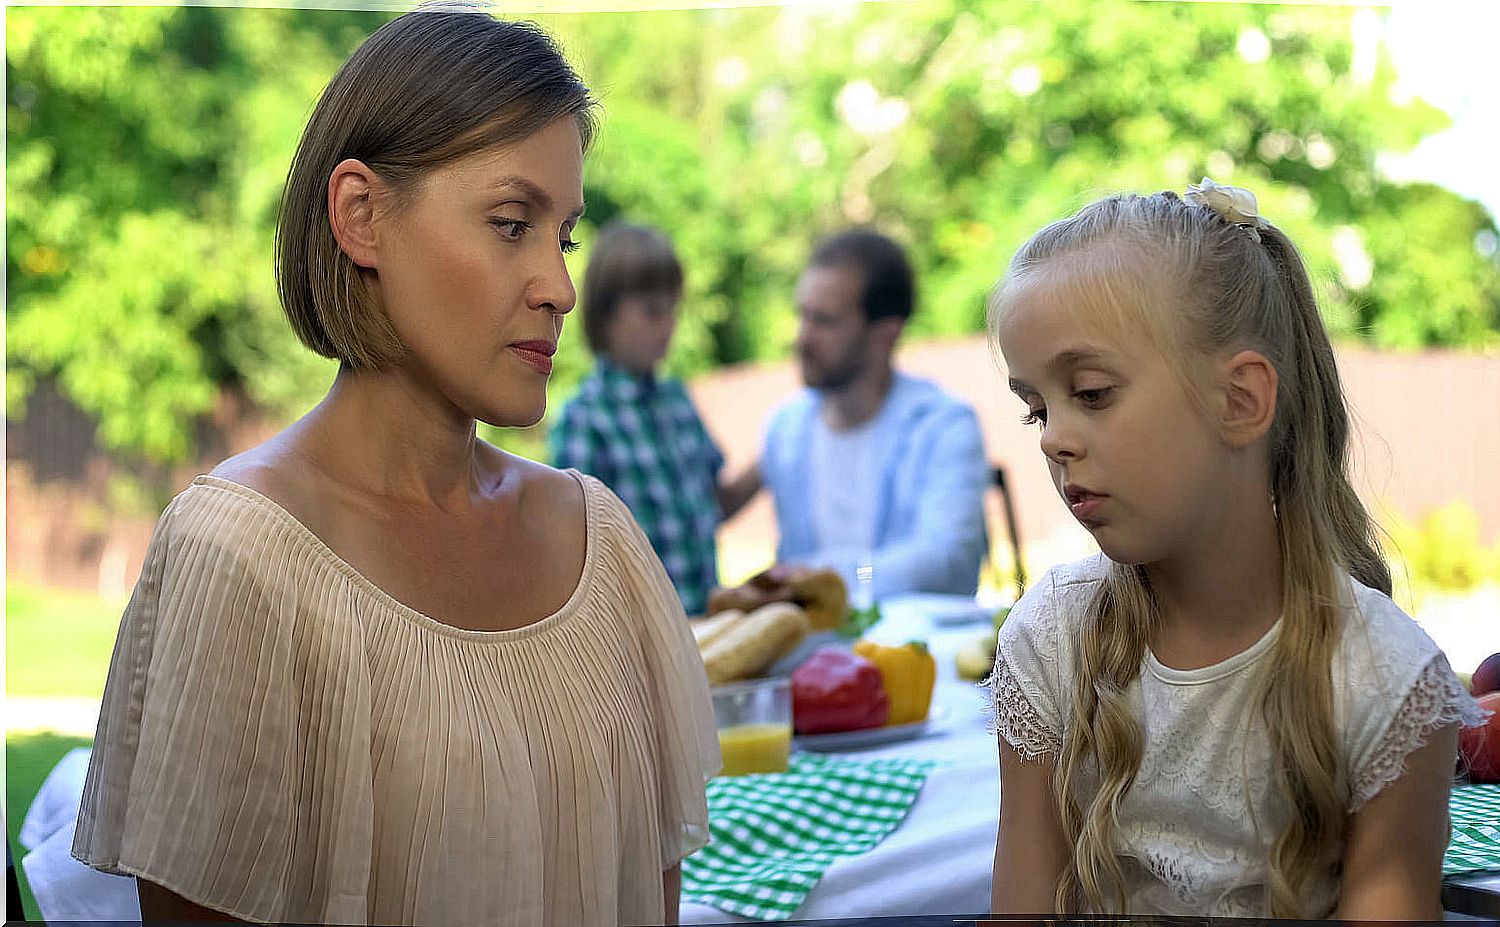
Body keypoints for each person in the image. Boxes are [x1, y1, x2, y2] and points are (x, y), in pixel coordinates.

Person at [70, 10, 719, 926]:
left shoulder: (599, 540)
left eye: (563, 235)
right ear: (361, 216)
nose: (562, 286)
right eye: (510, 223)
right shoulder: (240, 557)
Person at [987, 179, 1483, 919]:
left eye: (1090, 392)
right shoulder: (1050, 641)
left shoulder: (1385, 682)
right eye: (1037, 409)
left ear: (1241, 400)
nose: (1054, 436)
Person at [761, 229, 989, 601]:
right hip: (813, 654)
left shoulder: (941, 425)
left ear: (885, 334)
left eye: (825, 321)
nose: (803, 338)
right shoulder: (785, 431)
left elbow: (948, 562)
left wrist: (827, 578)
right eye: (803, 316)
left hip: (919, 652)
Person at [549, 221, 760, 616]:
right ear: (606, 315)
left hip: (709, 627)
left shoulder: (677, 401)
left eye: (673, 310)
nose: (668, 326)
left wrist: (772, 458)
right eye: (652, 312)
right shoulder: (585, 420)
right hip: (639, 637)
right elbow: (574, 554)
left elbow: (714, 504)